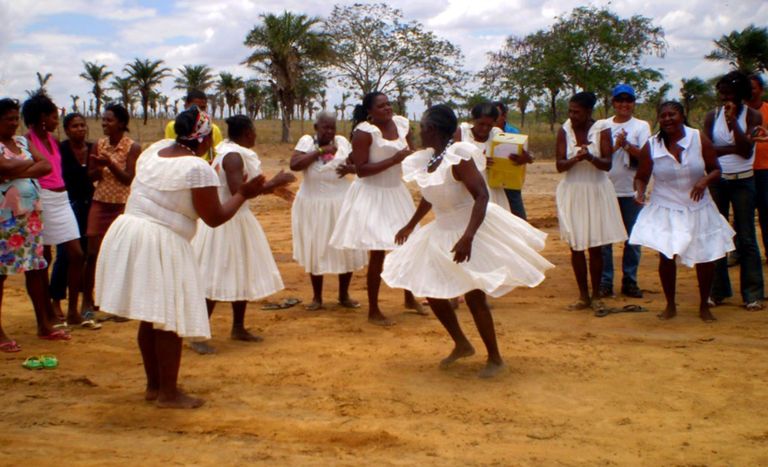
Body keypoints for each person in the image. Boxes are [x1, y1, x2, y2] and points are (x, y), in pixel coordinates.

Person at [95, 107, 267, 408]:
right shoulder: (197, 168)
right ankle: (168, 394)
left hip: (129, 232)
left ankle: (154, 386)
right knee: (169, 317)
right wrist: (244, 194)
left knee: (151, 315)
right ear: (204, 141)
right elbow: (214, 218)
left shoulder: (154, 151)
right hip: (160, 240)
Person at [381, 104, 553, 378]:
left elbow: (482, 196)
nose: (418, 131)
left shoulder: (458, 157)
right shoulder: (428, 159)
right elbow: (431, 194)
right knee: (433, 292)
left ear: (433, 129)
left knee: (474, 296)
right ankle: (462, 343)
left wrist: (468, 237)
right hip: (441, 231)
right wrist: (411, 224)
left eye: (421, 126)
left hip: (469, 230)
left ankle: (495, 358)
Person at [191, 115, 296, 355]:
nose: (257, 136)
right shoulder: (234, 156)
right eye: (255, 131)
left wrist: (273, 190)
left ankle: (238, 327)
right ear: (248, 133)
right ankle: (198, 333)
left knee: (241, 272)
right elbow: (241, 190)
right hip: (227, 221)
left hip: (236, 220)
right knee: (213, 277)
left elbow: (245, 190)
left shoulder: (229, 152)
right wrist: (273, 183)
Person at [630, 101, 734, 322]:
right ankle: (670, 305)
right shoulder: (652, 145)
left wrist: (704, 181)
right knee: (667, 255)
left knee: (705, 256)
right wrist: (639, 192)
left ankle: (704, 305)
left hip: (698, 205)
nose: (667, 119)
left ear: (682, 115)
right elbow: (641, 176)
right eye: (663, 116)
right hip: (666, 206)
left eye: (672, 115)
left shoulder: (698, 138)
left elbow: (716, 169)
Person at [329, 92, 424, 325]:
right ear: (370, 111)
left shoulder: (402, 125)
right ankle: (373, 310)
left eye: (389, 104)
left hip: (395, 192)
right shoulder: (364, 132)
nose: (387, 108)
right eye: (381, 106)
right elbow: (360, 169)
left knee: (407, 246)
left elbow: (409, 156)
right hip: (371, 195)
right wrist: (394, 160)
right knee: (378, 252)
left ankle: (409, 298)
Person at [0, 98, 70, 351]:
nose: (14, 122)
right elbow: (3, 165)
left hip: (29, 218)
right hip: (4, 220)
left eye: (15, 117)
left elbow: (45, 165)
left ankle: (43, 324)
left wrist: (14, 170)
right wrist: (26, 166)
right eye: (8, 118)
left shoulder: (22, 142)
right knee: (0, 275)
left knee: (36, 269)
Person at [22, 93, 89, 328]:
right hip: (43, 198)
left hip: (62, 199)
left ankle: (72, 312)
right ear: (41, 117)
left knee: (76, 254)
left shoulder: (52, 138)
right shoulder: (27, 141)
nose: (56, 120)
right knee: (45, 258)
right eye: (53, 116)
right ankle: (48, 312)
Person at [556, 92, 627, 312]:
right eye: (570, 111)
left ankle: (596, 295)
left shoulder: (602, 129)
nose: (572, 115)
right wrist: (575, 159)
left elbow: (607, 164)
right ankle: (582, 296)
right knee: (576, 245)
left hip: (596, 189)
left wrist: (590, 158)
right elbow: (559, 165)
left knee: (596, 245)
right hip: (573, 189)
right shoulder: (564, 130)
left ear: (589, 111)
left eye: (576, 111)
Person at [290, 111, 367, 311]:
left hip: (340, 202)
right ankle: (317, 298)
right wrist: (319, 151)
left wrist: (350, 169)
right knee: (316, 247)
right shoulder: (307, 142)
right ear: (316, 128)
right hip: (312, 204)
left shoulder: (342, 143)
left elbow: (357, 163)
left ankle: (344, 295)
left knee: (345, 247)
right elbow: (295, 165)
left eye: (333, 127)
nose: (330, 131)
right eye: (325, 127)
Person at [704, 71, 764, 311]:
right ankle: (718, 291)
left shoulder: (753, 115)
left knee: (747, 236)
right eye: (722, 93)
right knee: (717, 234)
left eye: (729, 93)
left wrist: (732, 125)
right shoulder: (712, 115)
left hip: (744, 180)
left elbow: (747, 152)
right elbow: (708, 149)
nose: (724, 98)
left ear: (740, 95)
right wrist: (735, 146)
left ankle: (753, 294)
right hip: (719, 180)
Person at [83, 104, 141, 316]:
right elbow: (90, 178)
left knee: (120, 256)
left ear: (122, 124)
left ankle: (119, 305)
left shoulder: (132, 147)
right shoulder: (98, 145)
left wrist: (109, 165)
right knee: (92, 254)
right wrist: (98, 168)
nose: (105, 124)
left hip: (123, 206)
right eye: (104, 120)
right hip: (100, 202)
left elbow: (128, 179)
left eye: (109, 120)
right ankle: (87, 302)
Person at [600, 85, 651, 299]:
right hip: (605, 190)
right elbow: (599, 155)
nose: (624, 104)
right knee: (604, 240)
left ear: (633, 103)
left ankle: (630, 280)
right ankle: (605, 281)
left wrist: (627, 145)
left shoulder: (641, 126)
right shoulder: (602, 126)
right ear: (613, 103)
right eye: (620, 100)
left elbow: (646, 156)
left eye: (628, 100)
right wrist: (614, 146)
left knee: (633, 239)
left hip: (630, 191)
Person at [49, 113, 95, 320]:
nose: (80, 129)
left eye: (82, 125)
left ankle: (82, 301)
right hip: (67, 205)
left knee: (86, 254)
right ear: (66, 130)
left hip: (90, 206)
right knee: (65, 256)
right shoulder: (61, 150)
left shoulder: (93, 150)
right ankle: (56, 301)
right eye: (75, 126)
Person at [453, 102, 511, 211]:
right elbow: (451, 160)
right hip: (467, 190)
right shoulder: (462, 133)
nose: (485, 128)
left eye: (489, 125)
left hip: (493, 191)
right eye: (481, 124)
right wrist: (479, 160)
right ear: (473, 120)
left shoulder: (497, 135)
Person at [493, 101, 533, 219]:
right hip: (492, 182)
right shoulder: (485, 131)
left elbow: (527, 154)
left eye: (496, 115)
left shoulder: (513, 133)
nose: (493, 120)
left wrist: (526, 158)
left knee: (518, 219)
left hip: (510, 183)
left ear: (504, 116)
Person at [165, 89, 223, 162]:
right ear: (186, 106)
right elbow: (170, 149)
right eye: (195, 107)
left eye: (203, 107)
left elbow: (219, 155)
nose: (199, 111)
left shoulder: (213, 129)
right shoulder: (173, 126)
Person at [748, 74, 768, 261]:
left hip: (765, 169)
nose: (750, 91)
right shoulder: (738, 114)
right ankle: (741, 252)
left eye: (753, 87)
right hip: (743, 170)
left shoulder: (767, 111)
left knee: (766, 212)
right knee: (742, 215)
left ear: (761, 90)